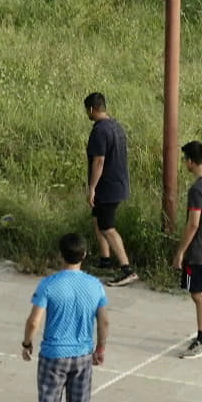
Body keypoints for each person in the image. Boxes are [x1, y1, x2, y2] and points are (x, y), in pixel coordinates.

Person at [22, 233, 110, 402]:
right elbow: (104, 321)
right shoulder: (95, 285)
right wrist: (100, 348)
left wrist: (27, 342)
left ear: (60, 255)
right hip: (82, 354)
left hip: (53, 355)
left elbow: (34, 321)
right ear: (84, 255)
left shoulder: (48, 285)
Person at [172, 141, 202, 358]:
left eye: (185, 160)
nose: (184, 163)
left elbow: (193, 224)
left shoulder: (196, 190)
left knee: (197, 293)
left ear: (191, 161)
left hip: (197, 252)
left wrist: (181, 251)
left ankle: (201, 340)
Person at [83, 92, 136, 286]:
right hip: (119, 183)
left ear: (92, 109)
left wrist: (92, 188)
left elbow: (99, 161)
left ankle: (127, 269)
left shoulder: (99, 131)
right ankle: (105, 260)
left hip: (107, 187)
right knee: (97, 219)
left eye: (87, 110)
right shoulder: (116, 126)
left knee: (107, 227)